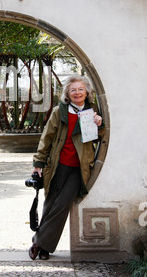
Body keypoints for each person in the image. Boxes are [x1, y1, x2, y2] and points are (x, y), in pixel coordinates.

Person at [28, 74, 104, 260]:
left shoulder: (92, 112)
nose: (77, 93)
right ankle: (44, 246)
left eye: (80, 89)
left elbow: (100, 137)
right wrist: (38, 163)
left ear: (86, 92)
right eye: (73, 90)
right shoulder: (59, 111)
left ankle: (39, 243)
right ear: (67, 94)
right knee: (50, 203)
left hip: (79, 168)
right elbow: (46, 138)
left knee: (62, 205)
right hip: (57, 165)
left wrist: (99, 125)